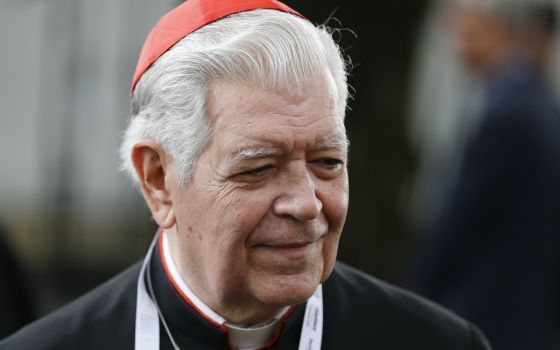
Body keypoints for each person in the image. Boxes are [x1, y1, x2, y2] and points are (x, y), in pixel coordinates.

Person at [0, 1, 492, 349]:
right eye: (258, 168)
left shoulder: (438, 343)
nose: (305, 203)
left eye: (327, 162)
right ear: (159, 180)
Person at [408, 1, 560, 349]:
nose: (459, 45)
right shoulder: (535, 100)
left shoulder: (508, 111)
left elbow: (461, 214)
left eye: (468, 30)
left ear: (500, 31)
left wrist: (420, 285)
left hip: (489, 305)